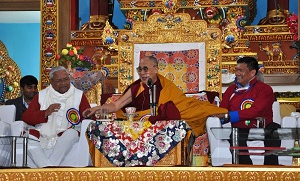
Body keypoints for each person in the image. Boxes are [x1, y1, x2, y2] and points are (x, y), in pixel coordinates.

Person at [83, 56, 228, 137]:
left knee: (195, 107)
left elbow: (178, 105)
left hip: (163, 123)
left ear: (156, 69)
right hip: (140, 124)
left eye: (146, 69)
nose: (142, 73)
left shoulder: (165, 85)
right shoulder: (137, 87)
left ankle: (227, 115)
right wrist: (97, 108)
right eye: (140, 69)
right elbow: (116, 105)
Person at [22, 66, 92, 167]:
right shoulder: (41, 95)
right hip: (43, 134)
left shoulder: (79, 95)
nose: (63, 83)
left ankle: (45, 169)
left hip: (67, 135)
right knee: (27, 137)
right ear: (51, 81)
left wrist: (87, 115)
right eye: (59, 81)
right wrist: (45, 113)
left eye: (66, 79)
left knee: (71, 133)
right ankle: (49, 169)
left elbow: (89, 119)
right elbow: (26, 118)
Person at [219, 56, 280, 165]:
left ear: (252, 73)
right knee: (234, 134)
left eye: (241, 70)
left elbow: (257, 111)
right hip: (240, 129)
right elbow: (223, 110)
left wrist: (230, 116)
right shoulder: (230, 90)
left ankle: (271, 170)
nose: (237, 73)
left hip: (263, 128)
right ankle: (245, 170)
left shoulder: (265, 89)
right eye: (236, 70)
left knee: (275, 130)